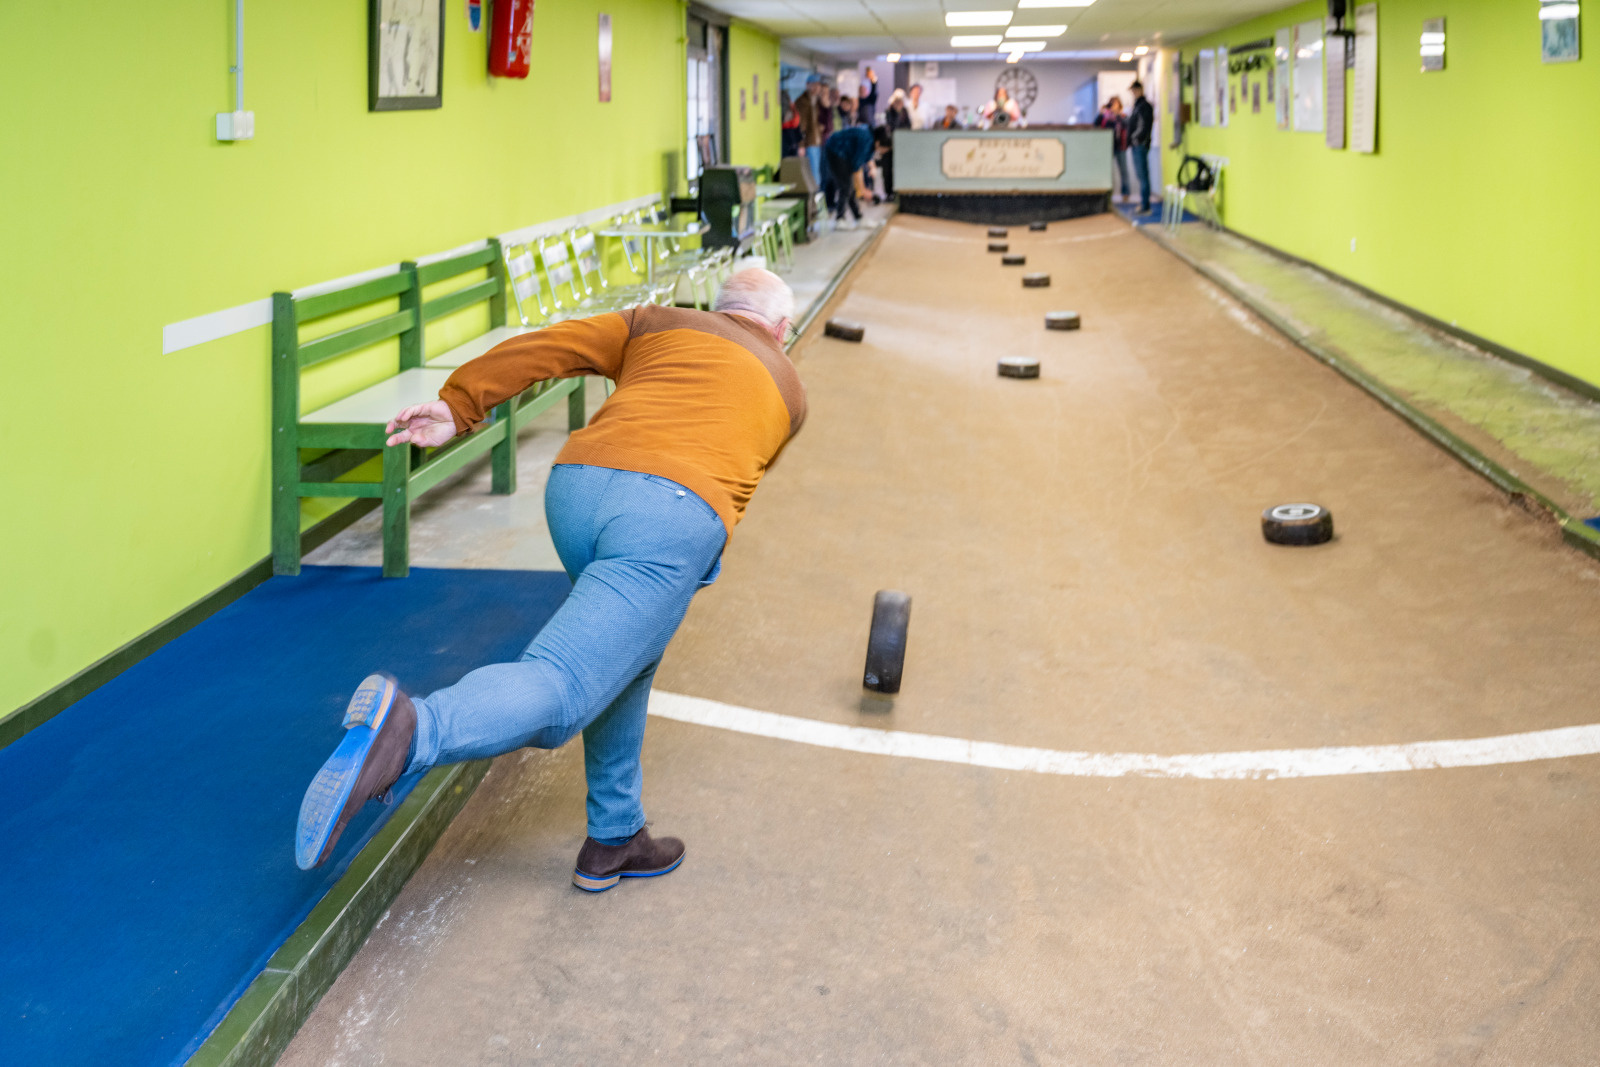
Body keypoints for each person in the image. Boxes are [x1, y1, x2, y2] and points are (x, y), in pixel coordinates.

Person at [294, 270, 807, 893]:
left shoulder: (657, 322)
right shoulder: (789, 389)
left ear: (719, 307)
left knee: (625, 655)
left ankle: (615, 835)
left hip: (578, 488)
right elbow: (732, 460)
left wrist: (460, 404)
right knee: (565, 684)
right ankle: (411, 732)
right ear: (781, 330)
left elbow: (549, 345)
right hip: (670, 513)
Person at [822, 123, 890, 229]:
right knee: (846, 186)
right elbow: (856, 169)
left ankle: (858, 218)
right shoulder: (867, 140)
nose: (882, 152)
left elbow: (865, 159)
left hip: (844, 155)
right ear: (878, 143)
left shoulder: (870, 138)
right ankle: (840, 219)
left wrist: (872, 168)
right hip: (835, 151)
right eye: (883, 149)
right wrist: (863, 190)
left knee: (849, 187)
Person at [1094, 97, 1131, 203]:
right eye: (1112, 104)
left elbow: (1127, 125)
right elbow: (1096, 124)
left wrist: (1117, 115)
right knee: (1107, 171)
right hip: (1108, 147)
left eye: (1116, 104)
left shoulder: (1122, 116)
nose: (1113, 106)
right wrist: (1101, 113)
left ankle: (1126, 193)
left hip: (1120, 147)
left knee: (1124, 170)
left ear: (1119, 105)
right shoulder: (1105, 116)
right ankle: (1107, 194)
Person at [1127, 80, 1156, 214]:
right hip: (1137, 144)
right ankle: (1144, 203)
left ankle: (1145, 205)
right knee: (1141, 176)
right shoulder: (1138, 105)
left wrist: (1135, 139)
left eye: (1134, 90)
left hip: (1140, 145)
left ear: (1139, 90)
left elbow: (1143, 126)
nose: (1133, 93)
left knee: (1143, 175)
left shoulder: (1144, 106)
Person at [796, 75, 825, 193]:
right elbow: (801, 124)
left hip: (817, 141)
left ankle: (817, 200)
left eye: (818, 85)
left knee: (818, 172)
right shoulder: (803, 102)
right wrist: (801, 144)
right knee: (814, 175)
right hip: (809, 142)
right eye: (815, 85)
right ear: (809, 85)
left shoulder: (816, 101)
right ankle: (814, 202)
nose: (818, 88)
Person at [881, 89, 912, 199]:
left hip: (901, 147)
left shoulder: (905, 112)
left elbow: (908, 126)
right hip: (889, 146)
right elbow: (890, 127)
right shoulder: (889, 112)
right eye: (896, 101)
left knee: (900, 169)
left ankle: (899, 191)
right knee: (887, 171)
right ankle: (889, 193)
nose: (898, 104)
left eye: (900, 101)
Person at [780, 90, 801, 158]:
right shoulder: (793, 109)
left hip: (784, 138)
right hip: (792, 138)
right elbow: (797, 125)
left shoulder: (790, 109)